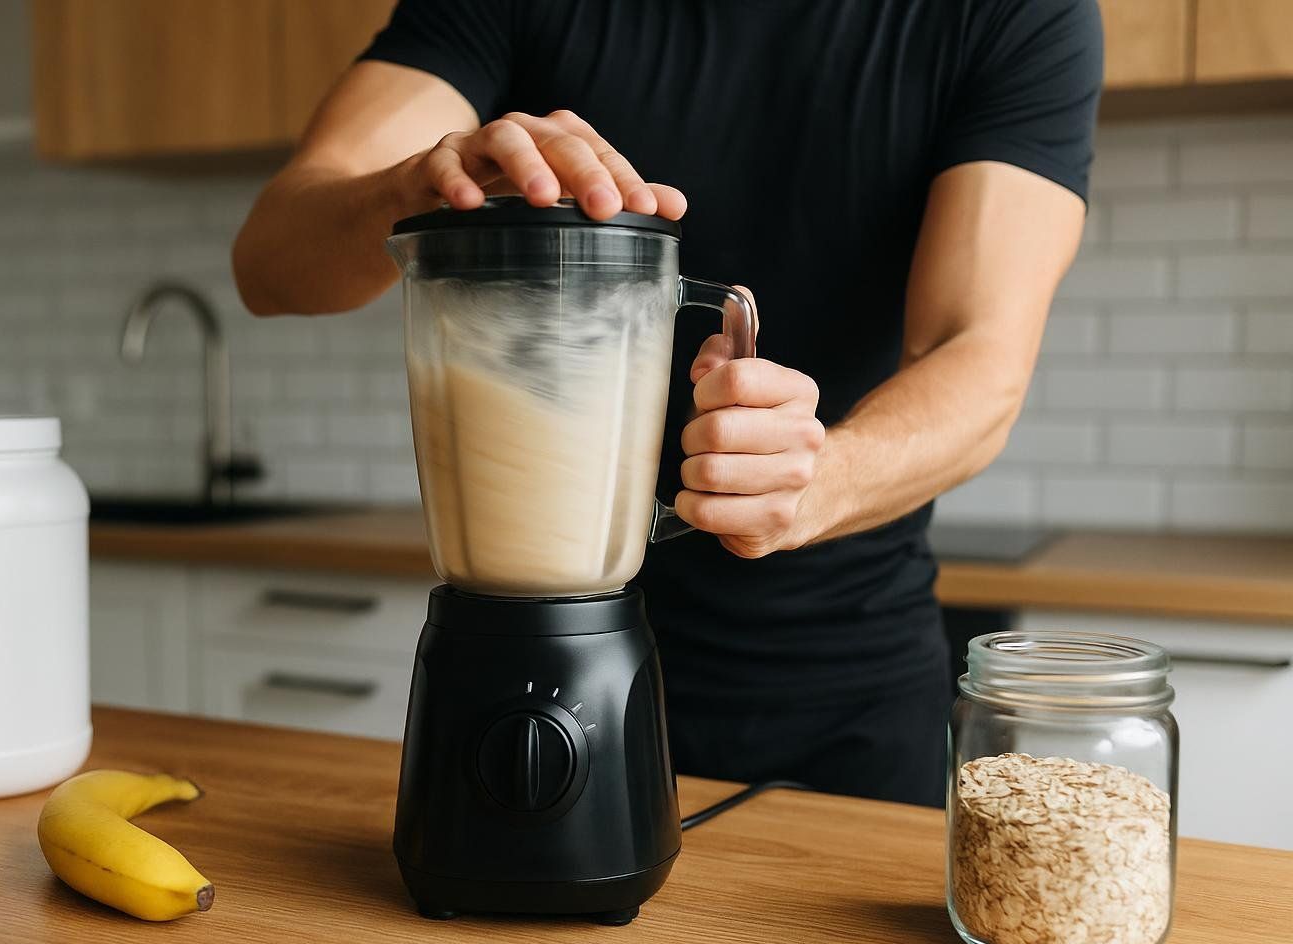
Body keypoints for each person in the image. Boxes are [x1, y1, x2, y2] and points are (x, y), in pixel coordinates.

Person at [232, 0, 1102, 807]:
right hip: (541, 657)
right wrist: (410, 190)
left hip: (854, 695)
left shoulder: (1009, 12)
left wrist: (817, 480)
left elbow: (976, 354)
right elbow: (271, 259)